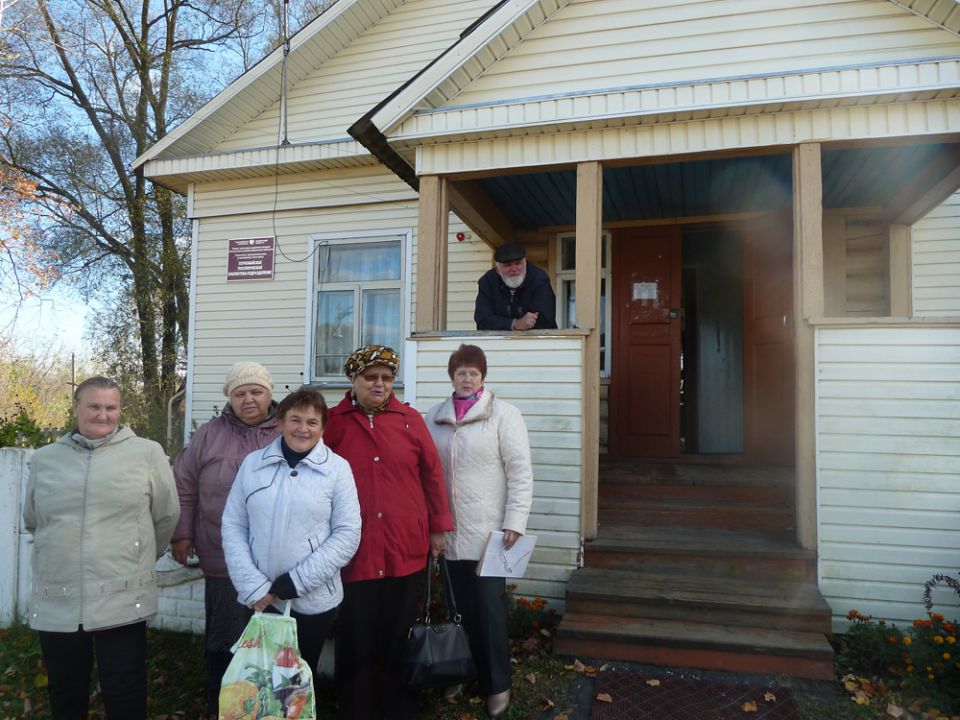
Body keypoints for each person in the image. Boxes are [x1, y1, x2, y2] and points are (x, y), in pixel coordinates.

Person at [22, 376, 180, 719]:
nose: (103, 415)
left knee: (125, 691)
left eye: (111, 407)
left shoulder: (147, 453)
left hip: (121, 596)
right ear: (76, 407)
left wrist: (135, 557)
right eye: (94, 406)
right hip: (58, 598)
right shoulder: (46, 459)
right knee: (65, 691)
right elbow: (34, 519)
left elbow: (167, 516)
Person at [323, 344, 454, 720]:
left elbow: (432, 474)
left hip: (404, 546)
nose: (379, 384)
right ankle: (356, 708)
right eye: (370, 377)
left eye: (386, 378)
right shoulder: (333, 422)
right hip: (355, 551)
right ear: (354, 380)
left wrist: (438, 527)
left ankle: (399, 708)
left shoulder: (410, 420)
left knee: (400, 634)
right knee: (357, 635)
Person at [221, 386, 361, 676]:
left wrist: (297, 581)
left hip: (311, 599)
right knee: (259, 675)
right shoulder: (253, 465)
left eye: (312, 422)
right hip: (260, 597)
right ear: (281, 422)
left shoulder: (338, 470)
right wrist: (253, 586)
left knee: (298, 677)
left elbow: (347, 534)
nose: (303, 429)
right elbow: (234, 525)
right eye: (295, 420)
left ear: (323, 428)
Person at [425, 344, 534, 719]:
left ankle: (496, 684)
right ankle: (461, 671)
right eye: (460, 372)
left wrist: (514, 522)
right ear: (451, 376)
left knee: (488, 613)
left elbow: (520, 470)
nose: (466, 378)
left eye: (473, 372)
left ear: (482, 376)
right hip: (448, 532)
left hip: (491, 535)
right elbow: (425, 472)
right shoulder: (434, 417)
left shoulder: (504, 414)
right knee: (457, 610)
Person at [170, 361, 281, 716]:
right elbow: (184, 485)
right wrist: (182, 533)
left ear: (269, 393)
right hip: (220, 555)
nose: (249, 399)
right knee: (222, 637)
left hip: (274, 558)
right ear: (229, 398)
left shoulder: (287, 429)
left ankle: (270, 704)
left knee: (272, 637)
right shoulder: (209, 435)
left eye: (256, 391)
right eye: (240, 393)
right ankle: (222, 702)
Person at [475, 242, 558, 331]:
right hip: (500, 342)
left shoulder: (539, 279)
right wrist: (514, 324)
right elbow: (482, 320)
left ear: (525, 263)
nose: (514, 269)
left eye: (518, 263)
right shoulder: (487, 282)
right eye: (508, 265)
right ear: (498, 269)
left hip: (538, 341)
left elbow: (546, 320)